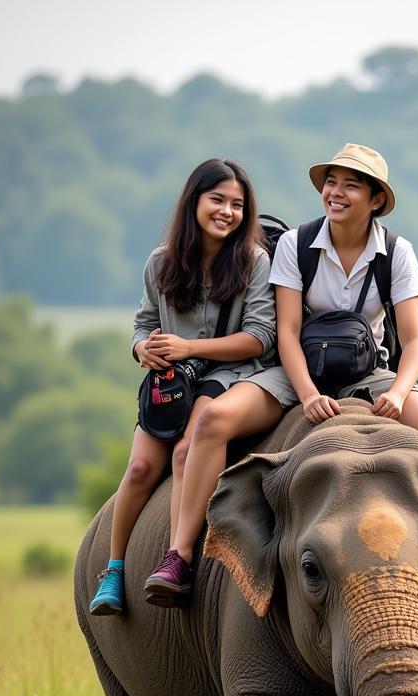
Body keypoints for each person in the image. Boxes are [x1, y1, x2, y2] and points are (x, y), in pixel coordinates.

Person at [264, 142, 418, 653]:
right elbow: (287, 332)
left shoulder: (397, 252)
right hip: (301, 372)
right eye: (331, 182)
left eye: (350, 185)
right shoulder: (295, 247)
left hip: (371, 373)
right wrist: (307, 395)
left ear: (375, 199)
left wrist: (400, 392)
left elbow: (414, 341)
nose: (335, 193)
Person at [89, 157, 282, 615]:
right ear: (194, 201)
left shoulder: (254, 261)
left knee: (183, 454)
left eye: (237, 205)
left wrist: (189, 349)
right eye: (217, 199)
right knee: (137, 471)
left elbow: (259, 338)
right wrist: (143, 350)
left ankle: (177, 561)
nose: (227, 212)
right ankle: (113, 570)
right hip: (171, 386)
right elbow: (143, 324)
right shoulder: (160, 263)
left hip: (231, 376)